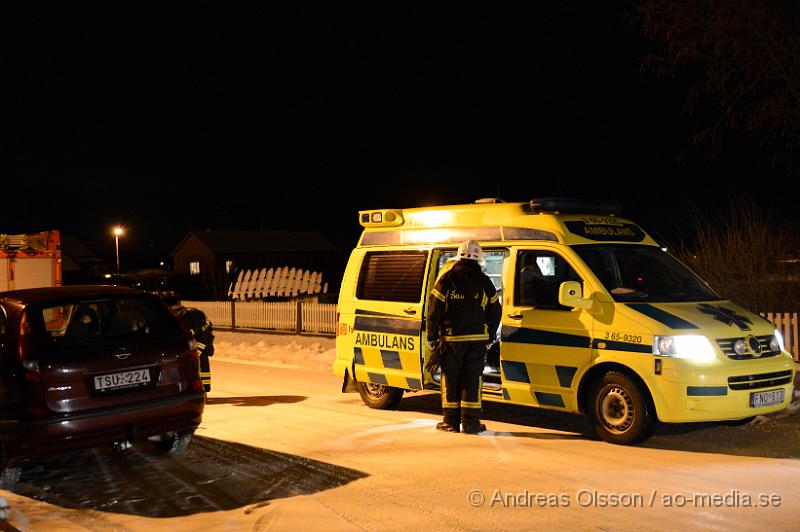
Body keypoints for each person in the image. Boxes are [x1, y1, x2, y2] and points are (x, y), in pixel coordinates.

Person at [426, 240, 502, 434]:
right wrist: (490, 336)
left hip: (451, 341)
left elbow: (434, 311)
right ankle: (471, 423)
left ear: (459, 256)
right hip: (477, 342)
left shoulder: (447, 280)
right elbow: (496, 311)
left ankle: (450, 422)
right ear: (479, 259)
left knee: (450, 379)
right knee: (472, 379)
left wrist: (432, 337)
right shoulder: (485, 282)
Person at [171, 303, 215, 392]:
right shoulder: (180, 319)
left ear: (180, 312)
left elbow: (202, 334)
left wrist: (196, 352)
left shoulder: (192, 318)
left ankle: (205, 387)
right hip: (196, 337)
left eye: (175, 314)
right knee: (195, 359)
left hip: (203, 337)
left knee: (200, 359)